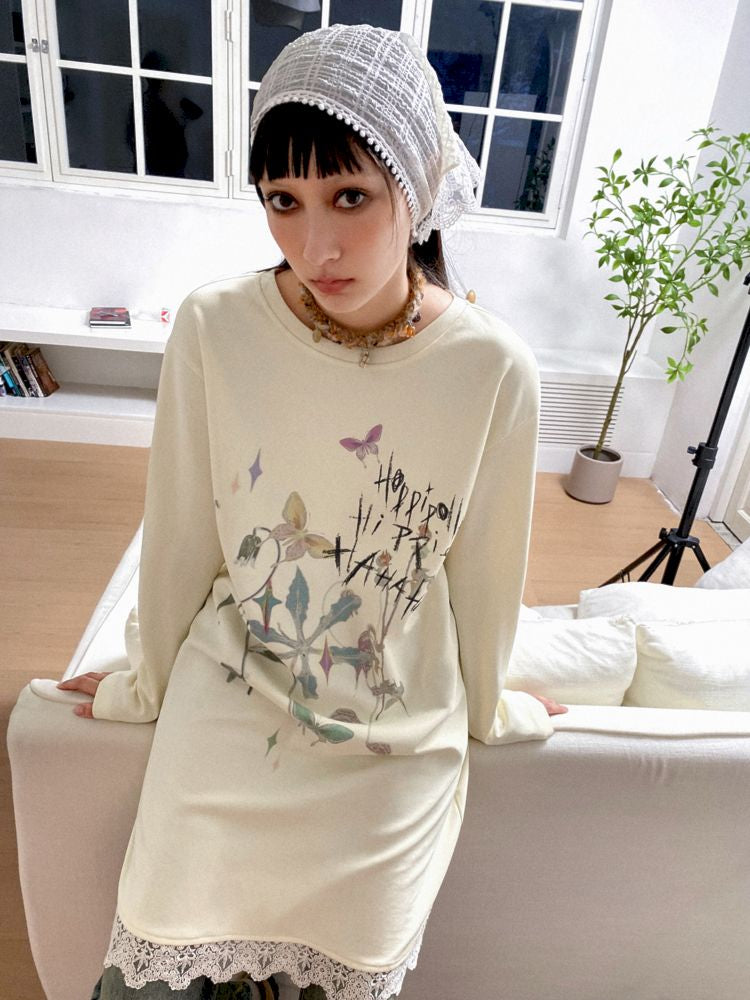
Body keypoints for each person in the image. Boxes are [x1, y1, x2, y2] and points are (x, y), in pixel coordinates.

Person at [58, 23, 567, 1000]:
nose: (314, 246)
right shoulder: (215, 326)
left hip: (392, 738)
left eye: (350, 197)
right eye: (282, 201)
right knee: (144, 978)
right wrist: (145, 679)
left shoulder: (493, 368)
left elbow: (486, 573)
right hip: (231, 690)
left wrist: (493, 705)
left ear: (417, 188)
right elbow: (182, 530)